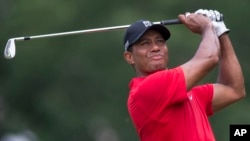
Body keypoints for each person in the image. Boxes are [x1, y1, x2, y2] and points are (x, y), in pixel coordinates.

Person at [123, 9, 246, 141]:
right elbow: (209, 58)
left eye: (160, 41)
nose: (155, 47)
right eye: (145, 43)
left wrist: (220, 32)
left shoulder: (188, 93)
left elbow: (234, 89)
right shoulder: (145, 90)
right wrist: (207, 27)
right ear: (130, 57)